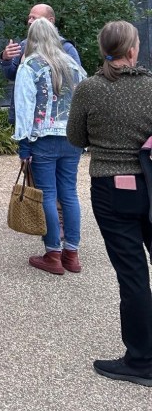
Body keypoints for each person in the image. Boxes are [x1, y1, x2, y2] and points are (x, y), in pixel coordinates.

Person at [67, 21, 152, 387]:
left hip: (110, 187)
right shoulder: (151, 86)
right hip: (151, 182)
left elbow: (75, 137)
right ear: (133, 50)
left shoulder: (89, 89)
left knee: (132, 274)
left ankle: (141, 360)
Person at [13, 18, 86, 274]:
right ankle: (72, 254)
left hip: (43, 139)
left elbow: (25, 109)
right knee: (69, 193)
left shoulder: (30, 66)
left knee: (47, 194)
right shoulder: (73, 66)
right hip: (72, 138)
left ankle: (53, 253)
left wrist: (24, 146)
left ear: (31, 39)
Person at [0, 4, 81, 123]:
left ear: (50, 21)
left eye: (34, 18)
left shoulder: (66, 48)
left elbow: (76, 82)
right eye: (29, 18)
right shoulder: (23, 45)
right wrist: (6, 59)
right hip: (25, 117)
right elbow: (11, 76)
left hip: (55, 119)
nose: (29, 21)